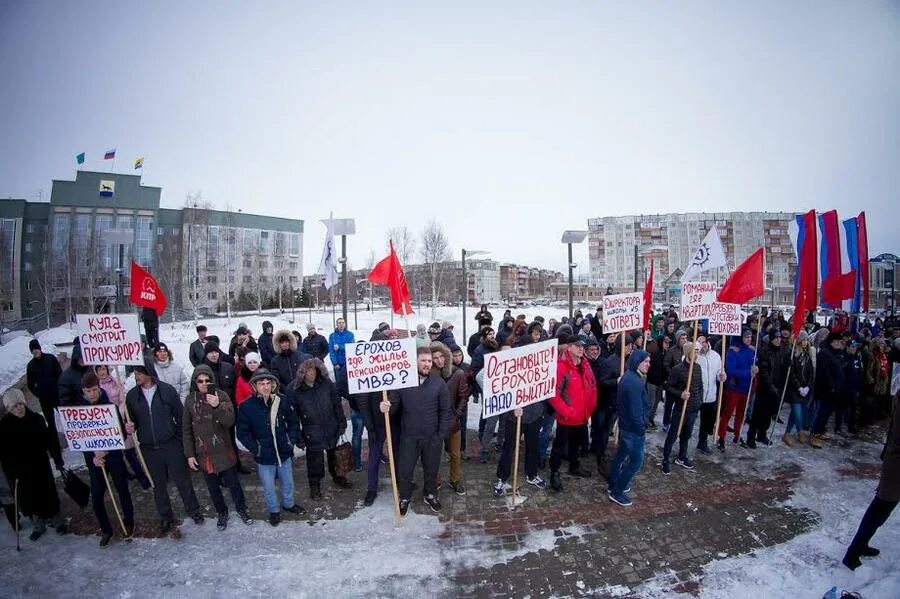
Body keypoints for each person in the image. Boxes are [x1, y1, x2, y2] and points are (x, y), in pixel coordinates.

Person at [124, 363, 204, 535]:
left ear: (149, 373)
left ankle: (194, 510)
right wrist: (129, 427)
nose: (135, 376)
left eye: (138, 373)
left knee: (182, 480)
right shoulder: (131, 396)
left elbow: (181, 417)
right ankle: (166, 516)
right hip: (148, 448)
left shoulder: (167, 391)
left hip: (170, 444)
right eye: (134, 373)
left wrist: (181, 441)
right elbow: (130, 421)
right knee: (158, 486)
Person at [379, 347, 451, 516]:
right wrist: (386, 406)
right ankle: (404, 497)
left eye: (429, 361)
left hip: (432, 437)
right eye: (423, 360)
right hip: (408, 437)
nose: (427, 364)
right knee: (405, 470)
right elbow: (394, 406)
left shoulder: (439, 384)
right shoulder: (402, 382)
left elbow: (445, 411)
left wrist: (440, 435)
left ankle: (430, 494)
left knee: (431, 469)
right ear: (415, 362)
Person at [183, 365, 253, 530]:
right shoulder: (190, 400)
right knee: (213, 487)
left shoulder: (221, 396)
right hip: (204, 453)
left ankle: (242, 509)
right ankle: (222, 512)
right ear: (195, 382)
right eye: (200, 381)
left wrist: (217, 407)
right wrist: (189, 454)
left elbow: (229, 421)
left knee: (234, 484)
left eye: (207, 380)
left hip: (223, 450)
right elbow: (186, 430)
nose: (204, 384)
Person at [237, 368, 305, 526]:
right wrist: (257, 448)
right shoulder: (247, 406)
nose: (266, 387)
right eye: (262, 383)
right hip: (264, 456)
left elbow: (294, 422)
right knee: (268, 486)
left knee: (288, 483)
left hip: (283, 451)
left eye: (269, 383)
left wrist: (290, 440)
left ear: (273, 385)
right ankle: (274, 510)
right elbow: (242, 433)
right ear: (254, 386)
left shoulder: (283, 400)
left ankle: (289, 504)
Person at [0, 388, 69, 541]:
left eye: (20, 404)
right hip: (21, 470)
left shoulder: (36, 419)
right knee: (30, 497)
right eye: (14, 406)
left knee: (48, 492)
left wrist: (57, 459)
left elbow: (49, 440)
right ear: (9, 408)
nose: (18, 408)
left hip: (40, 465)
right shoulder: (4, 427)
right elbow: (4, 454)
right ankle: (39, 523)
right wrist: (11, 473)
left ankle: (58, 520)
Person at [843, 386, 900, 570]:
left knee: (882, 511)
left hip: (894, 461)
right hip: (896, 465)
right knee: (879, 510)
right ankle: (852, 553)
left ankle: (861, 545)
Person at [78, 372, 135, 546]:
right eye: (89, 391)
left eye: (95, 389)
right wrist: (92, 456)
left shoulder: (109, 406)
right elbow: (79, 439)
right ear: (84, 392)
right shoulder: (78, 411)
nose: (93, 394)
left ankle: (128, 520)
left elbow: (120, 433)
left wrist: (128, 428)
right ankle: (106, 529)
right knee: (96, 497)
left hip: (114, 456)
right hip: (95, 461)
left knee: (122, 489)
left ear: (99, 388)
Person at [288, 358, 352, 500]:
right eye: (308, 370)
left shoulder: (326, 383)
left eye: (314, 369)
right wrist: (298, 437)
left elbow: (336, 403)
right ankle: (315, 486)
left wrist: (341, 422)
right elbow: (293, 417)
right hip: (311, 431)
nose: (312, 373)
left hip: (331, 427)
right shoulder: (294, 390)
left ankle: (338, 476)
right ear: (302, 372)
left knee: (334, 456)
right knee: (314, 461)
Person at [547, 335, 597, 492]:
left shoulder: (585, 364)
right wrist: (567, 411)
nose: (581, 348)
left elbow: (592, 386)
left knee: (577, 444)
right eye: (577, 345)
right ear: (568, 347)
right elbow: (553, 394)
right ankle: (554, 473)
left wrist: (591, 406)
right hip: (567, 418)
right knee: (559, 447)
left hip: (582, 417)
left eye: (583, 345)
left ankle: (574, 465)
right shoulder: (561, 367)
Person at [607, 350, 651, 507]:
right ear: (636, 362)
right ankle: (617, 491)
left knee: (621, 455)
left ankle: (613, 483)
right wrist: (641, 428)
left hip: (626, 426)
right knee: (636, 462)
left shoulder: (629, 377)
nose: (648, 364)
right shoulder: (634, 382)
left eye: (648, 361)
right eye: (645, 361)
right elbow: (636, 411)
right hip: (633, 429)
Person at [431, 342, 469, 495]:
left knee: (455, 453)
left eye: (442, 356)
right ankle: (436, 480)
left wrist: (457, 415)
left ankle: (455, 479)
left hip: (453, 421)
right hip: (434, 422)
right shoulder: (428, 377)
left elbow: (463, 396)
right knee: (435, 454)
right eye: (435, 357)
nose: (439, 360)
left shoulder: (458, 373)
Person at [662, 341, 703, 474]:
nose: (696, 353)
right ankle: (665, 459)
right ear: (688, 353)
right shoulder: (678, 369)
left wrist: (699, 400)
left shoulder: (697, 368)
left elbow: (700, 386)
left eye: (697, 351)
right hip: (681, 409)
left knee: (687, 435)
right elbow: (668, 386)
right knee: (673, 435)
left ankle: (682, 456)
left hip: (693, 408)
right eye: (694, 351)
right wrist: (680, 394)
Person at [593, 334, 631, 474]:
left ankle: (612, 453)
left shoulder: (628, 361)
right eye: (627, 345)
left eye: (631, 345)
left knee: (612, 430)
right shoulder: (610, 362)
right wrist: (617, 381)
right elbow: (602, 382)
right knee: (603, 430)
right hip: (606, 402)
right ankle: (600, 455)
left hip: (619, 402)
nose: (630, 348)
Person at [26, 339, 64, 470]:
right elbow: (30, 384)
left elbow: (59, 374)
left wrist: (60, 389)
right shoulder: (31, 366)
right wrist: (38, 393)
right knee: (51, 428)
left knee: (67, 421)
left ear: (40, 348)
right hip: (45, 400)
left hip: (57, 397)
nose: (35, 351)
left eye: (36, 348)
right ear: (31, 352)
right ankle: (58, 458)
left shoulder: (50, 358)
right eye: (32, 350)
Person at [717, 329, 757, 451]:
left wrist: (756, 369)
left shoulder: (752, 350)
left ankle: (737, 434)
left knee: (741, 414)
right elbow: (731, 370)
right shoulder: (733, 351)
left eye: (750, 337)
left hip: (746, 388)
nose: (749, 339)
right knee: (728, 413)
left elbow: (754, 364)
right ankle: (721, 437)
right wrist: (748, 373)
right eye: (746, 337)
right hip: (734, 387)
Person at [810, 333, 845, 448]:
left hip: (835, 389)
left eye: (839, 342)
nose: (838, 343)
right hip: (826, 389)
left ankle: (820, 431)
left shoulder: (837, 353)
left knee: (828, 412)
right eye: (835, 341)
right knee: (822, 412)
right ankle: (814, 434)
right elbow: (824, 372)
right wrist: (832, 386)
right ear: (830, 342)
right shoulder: (825, 353)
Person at [695, 335, 726, 454]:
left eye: (703, 342)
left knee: (707, 422)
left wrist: (722, 376)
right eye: (699, 342)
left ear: (707, 343)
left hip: (711, 395)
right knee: (691, 420)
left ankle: (702, 443)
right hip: (697, 395)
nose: (702, 345)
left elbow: (720, 372)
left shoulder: (716, 356)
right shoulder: (696, 356)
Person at [783, 331, 815, 446]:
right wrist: (799, 388)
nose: (805, 342)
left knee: (794, 413)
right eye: (803, 340)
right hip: (794, 390)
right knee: (797, 412)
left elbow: (811, 373)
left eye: (806, 340)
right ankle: (800, 431)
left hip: (805, 388)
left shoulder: (807, 355)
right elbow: (791, 374)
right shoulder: (792, 355)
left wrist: (808, 386)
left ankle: (786, 434)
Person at [838, 339, 865, 436]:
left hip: (854, 388)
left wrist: (859, 386)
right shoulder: (843, 357)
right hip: (844, 388)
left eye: (855, 347)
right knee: (841, 409)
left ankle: (851, 427)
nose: (854, 349)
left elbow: (860, 371)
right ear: (847, 347)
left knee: (853, 409)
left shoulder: (857, 357)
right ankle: (838, 427)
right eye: (852, 347)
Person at [58, 338, 89, 407]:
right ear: (75, 357)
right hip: (80, 412)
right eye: (80, 357)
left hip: (97, 410)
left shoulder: (92, 370)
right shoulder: (66, 377)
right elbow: (65, 400)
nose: (83, 360)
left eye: (84, 357)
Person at [645, 338, 667, 430]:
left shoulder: (665, 353)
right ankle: (646, 420)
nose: (667, 344)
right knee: (651, 402)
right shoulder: (655, 353)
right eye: (665, 342)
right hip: (652, 381)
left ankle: (651, 418)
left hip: (660, 382)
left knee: (656, 402)